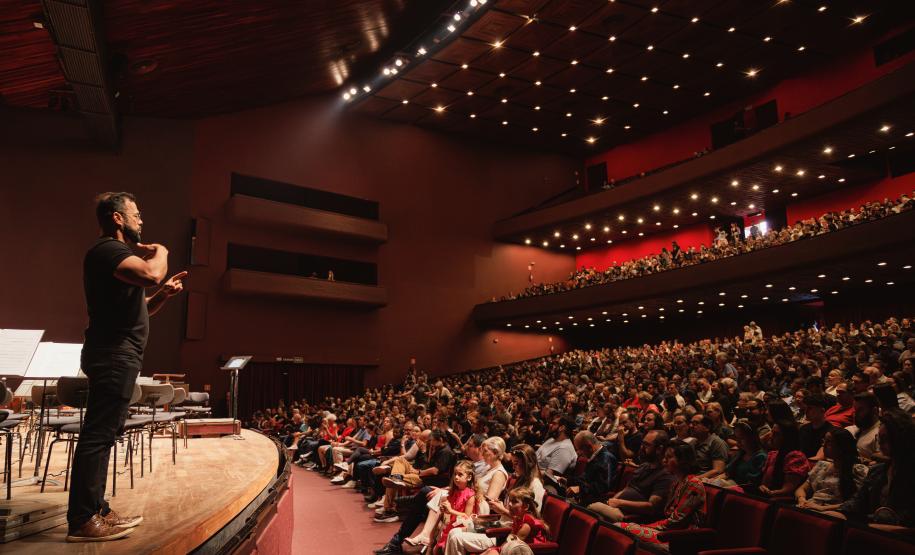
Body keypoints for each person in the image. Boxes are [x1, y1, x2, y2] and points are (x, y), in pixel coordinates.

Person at [68, 192, 187, 542]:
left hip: (117, 353)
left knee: (105, 435)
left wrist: (162, 296)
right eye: (136, 214)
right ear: (117, 217)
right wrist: (162, 251)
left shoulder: (114, 256)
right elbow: (151, 274)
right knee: (98, 435)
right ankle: (82, 520)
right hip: (113, 354)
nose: (141, 220)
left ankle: (98, 509)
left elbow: (140, 307)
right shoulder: (109, 250)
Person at [828, 410, 915, 531]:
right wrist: (839, 512)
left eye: (885, 438)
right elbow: (857, 502)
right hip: (874, 530)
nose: (880, 443)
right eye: (879, 438)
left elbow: (908, 517)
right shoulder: (877, 471)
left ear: (901, 439)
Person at [615, 441, 706, 548]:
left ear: (683, 461)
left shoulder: (693, 484)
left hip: (679, 538)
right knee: (620, 528)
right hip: (666, 532)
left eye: (669, 457)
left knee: (619, 527)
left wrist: (648, 527)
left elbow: (677, 520)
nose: (664, 460)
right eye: (664, 457)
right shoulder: (676, 482)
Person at [588, 430, 674, 523]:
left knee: (591, 508)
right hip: (617, 508)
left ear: (659, 449)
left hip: (630, 517)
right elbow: (628, 488)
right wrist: (613, 500)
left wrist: (620, 503)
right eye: (642, 443)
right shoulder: (644, 466)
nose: (641, 448)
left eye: (646, 445)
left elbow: (651, 507)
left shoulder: (665, 475)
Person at [795, 428, 865, 512]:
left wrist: (823, 508)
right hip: (811, 506)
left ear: (841, 446)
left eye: (828, 442)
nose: (823, 445)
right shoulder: (821, 466)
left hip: (835, 511)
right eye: (824, 441)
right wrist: (802, 499)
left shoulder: (857, 470)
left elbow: (857, 502)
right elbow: (801, 489)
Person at [476, 487, 549, 555]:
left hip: (529, 551)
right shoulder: (518, 518)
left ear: (526, 506)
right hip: (515, 548)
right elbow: (510, 539)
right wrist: (496, 549)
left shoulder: (528, 523)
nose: (510, 504)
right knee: (490, 551)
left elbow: (513, 544)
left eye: (514, 502)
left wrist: (497, 551)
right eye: (510, 501)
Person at [431, 461, 480, 555]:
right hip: (452, 524)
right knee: (436, 550)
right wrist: (445, 510)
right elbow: (452, 511)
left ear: (469, 477)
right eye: (455, 474)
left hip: (463, 526)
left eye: (460, 474)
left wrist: (450, 510)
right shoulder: (454, 491)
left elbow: (467, 516)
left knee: (443, 549)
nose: (456, 477)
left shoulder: (470, 495)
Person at [758, 420, 811, 500]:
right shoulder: (773, 454)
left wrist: (770, 493)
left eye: (776, 434)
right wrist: (762, 487)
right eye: (772, 432)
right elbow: (764, 483)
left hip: (783, 501)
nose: (771, 436)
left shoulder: (795, 457)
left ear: (787, 438)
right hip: (768, 497)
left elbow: (788, 490)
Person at [566, 431, 616, 506]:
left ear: (589, 446)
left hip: (595, 501)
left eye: (580, 449)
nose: (578, 453)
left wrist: (580, 489)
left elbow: (602, 487)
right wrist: (568, 481)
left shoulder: (606, 458)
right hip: (585, 496)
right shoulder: (594, 455)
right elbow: (585, 478)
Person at [689, 415, 728, 480]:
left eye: (695, 423)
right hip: (693, 478)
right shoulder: (692, 442)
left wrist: (694, 479)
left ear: (707, 427)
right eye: (690, 423)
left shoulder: (716, 443)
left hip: (706, 481)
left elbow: (718, 470)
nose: (690, 426)